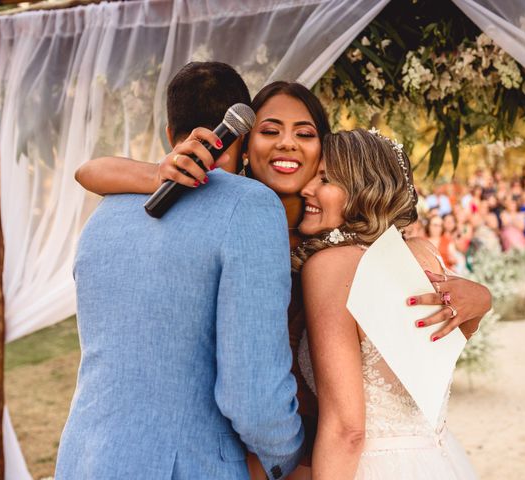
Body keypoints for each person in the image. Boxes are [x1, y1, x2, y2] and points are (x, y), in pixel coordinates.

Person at [76, 69, 492, 476]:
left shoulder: (352, 248)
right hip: (264, 455)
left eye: (305, 134)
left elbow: (416, 350)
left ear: (325, 152)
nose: (287, 144)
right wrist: (154, 173)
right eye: (269, 130)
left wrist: (478, 302)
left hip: (332, 457)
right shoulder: (237, 212)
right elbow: (91, 171)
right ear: (242, 141)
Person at [55, 62, 305, 479]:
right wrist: (289, 455)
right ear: (243, 139)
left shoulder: (107, 209)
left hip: (84, 458)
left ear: (169, 134)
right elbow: (252, 395)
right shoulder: (251, 206)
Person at [292, 129, 482, 479]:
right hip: (436, 460)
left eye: (325, 179)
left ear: (363, 188)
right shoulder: (424, 255)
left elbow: (347, 431)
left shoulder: (330, 267)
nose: (306, 189)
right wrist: (484, 300)